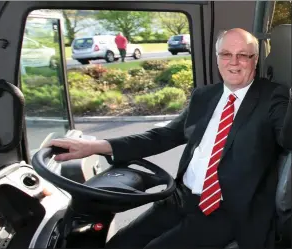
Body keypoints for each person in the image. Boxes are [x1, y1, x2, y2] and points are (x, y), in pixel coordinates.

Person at [49, 28, 292, 249]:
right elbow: (163, 135)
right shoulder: (205, 96)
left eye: (243, 55)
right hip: (181, 197)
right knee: (120, 244)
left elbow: (287, 136)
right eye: (226, 54)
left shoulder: (273, 98)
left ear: (255, 59)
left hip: (227, 209)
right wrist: (94, 146)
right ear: (217, 58)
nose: (234, 62)